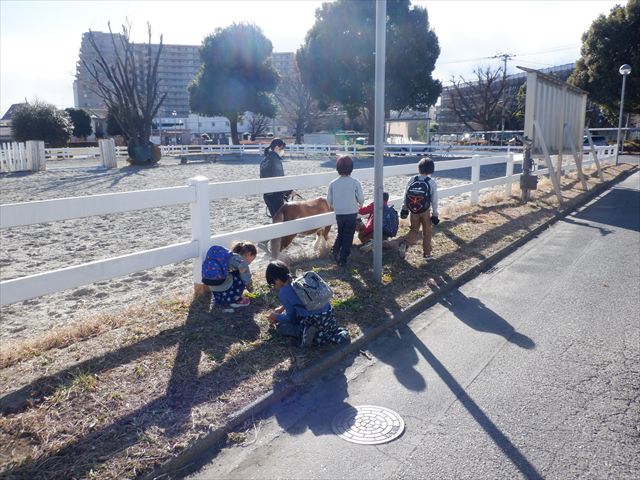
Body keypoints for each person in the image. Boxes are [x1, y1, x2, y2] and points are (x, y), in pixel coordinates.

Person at [265, 260, 349, 347]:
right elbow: (300, 300)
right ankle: (316, 331)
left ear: (277, 280)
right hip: (328, 316)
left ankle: (304, 331)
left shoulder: (283, 292)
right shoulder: (299, 280)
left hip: (314, 320)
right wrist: (282, 308)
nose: (274, 286)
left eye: (273, 284)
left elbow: (291, 318)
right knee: (292, 314)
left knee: (281, 327)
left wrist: (276, 317)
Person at [398, 157, 439, 260]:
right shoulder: (431, 182)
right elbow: (434, 200)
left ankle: (405, 243)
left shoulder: (412, 179)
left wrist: (404, 208)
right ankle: (427, 253)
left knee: (414, 230)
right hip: (425, 211)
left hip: (413, 211)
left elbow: (406, 195)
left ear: (419, 168)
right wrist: (435, 214)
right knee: (427, 232)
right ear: (431, 169)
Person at [326, 156, 365, 266]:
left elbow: (329, 200)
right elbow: (361, 198)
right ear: (351, 168)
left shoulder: (333, 183)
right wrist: (360, 205)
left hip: (339, 212)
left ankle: (335, 251)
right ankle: (343, 258)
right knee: (348, 234)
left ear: (338, 168)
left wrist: (333, 207)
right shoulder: (355, 182)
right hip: (351, 212)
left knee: (341, 232)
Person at [208, 241, 257, 312]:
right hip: (222, 286)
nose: (249, 263)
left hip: (212, 286)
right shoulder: (241, 262)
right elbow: (246, 279)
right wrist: (251, 290)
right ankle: (234, 299)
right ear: (249, 254)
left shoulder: (229, 256)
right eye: (251, 260)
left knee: (232, 274)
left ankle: (220, 299)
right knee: (240, 276)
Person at [260, 138, 294, 217]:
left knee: (275, 220)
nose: (283, 151)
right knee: (281, 221)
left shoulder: (265, 159)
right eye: (282, 148)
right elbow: (279, 179)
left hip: (267, 195)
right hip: (275, 195)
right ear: (276, 148)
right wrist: (290, 191)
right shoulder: (275, 160)